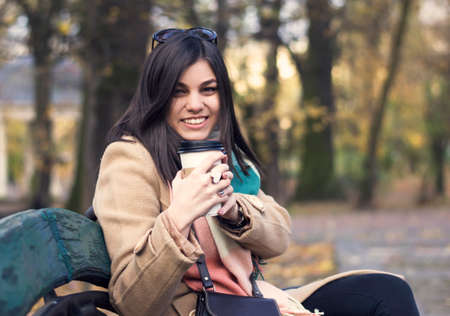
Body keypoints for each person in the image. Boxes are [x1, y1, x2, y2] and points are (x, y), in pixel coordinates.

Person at [93, 27, 420, 316]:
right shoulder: (130, 160)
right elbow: (132, 302)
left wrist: (235, 212)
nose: (196, 104)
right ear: (157, 95)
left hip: (252, 300)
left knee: (388, 293)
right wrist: (178, 218)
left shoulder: (216, 154)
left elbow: (279, 237)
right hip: (204, 309)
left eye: (208, 89)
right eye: (179, 91)